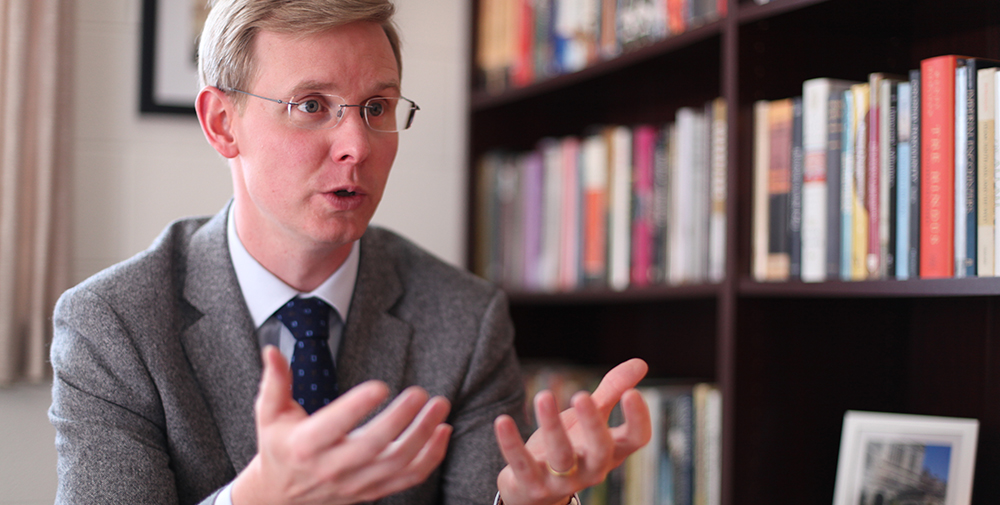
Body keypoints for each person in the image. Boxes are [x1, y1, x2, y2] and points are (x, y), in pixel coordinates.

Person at [48, 0, 652, 504]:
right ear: (222, 123)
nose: (356, 146)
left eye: (377, 108)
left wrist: (529, 501)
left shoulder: (464, 317)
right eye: (311, 105)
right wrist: (259, 496)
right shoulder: (112, 324)